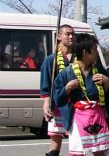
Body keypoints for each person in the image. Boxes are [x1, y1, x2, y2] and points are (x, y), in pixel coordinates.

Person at [53, 33, 109, 156]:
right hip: (78, 117)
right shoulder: (67, 73)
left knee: (100, 152)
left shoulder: (99, 70)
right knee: (78, 152)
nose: (97, 53)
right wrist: (68, 87)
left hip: (97, 115)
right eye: (94, 50)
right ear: (84, 52)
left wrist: (107, 82)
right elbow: (57, 98)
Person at [39, 24, 75, 156]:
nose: (71, 36)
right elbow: (46, 85)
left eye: (73, 34)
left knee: (77, 140)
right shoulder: (50, 60)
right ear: (59, 36)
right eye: (67, 34)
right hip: (58, 104)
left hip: (76, 105)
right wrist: (46, 104)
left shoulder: (80, 58)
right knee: (56, 139)